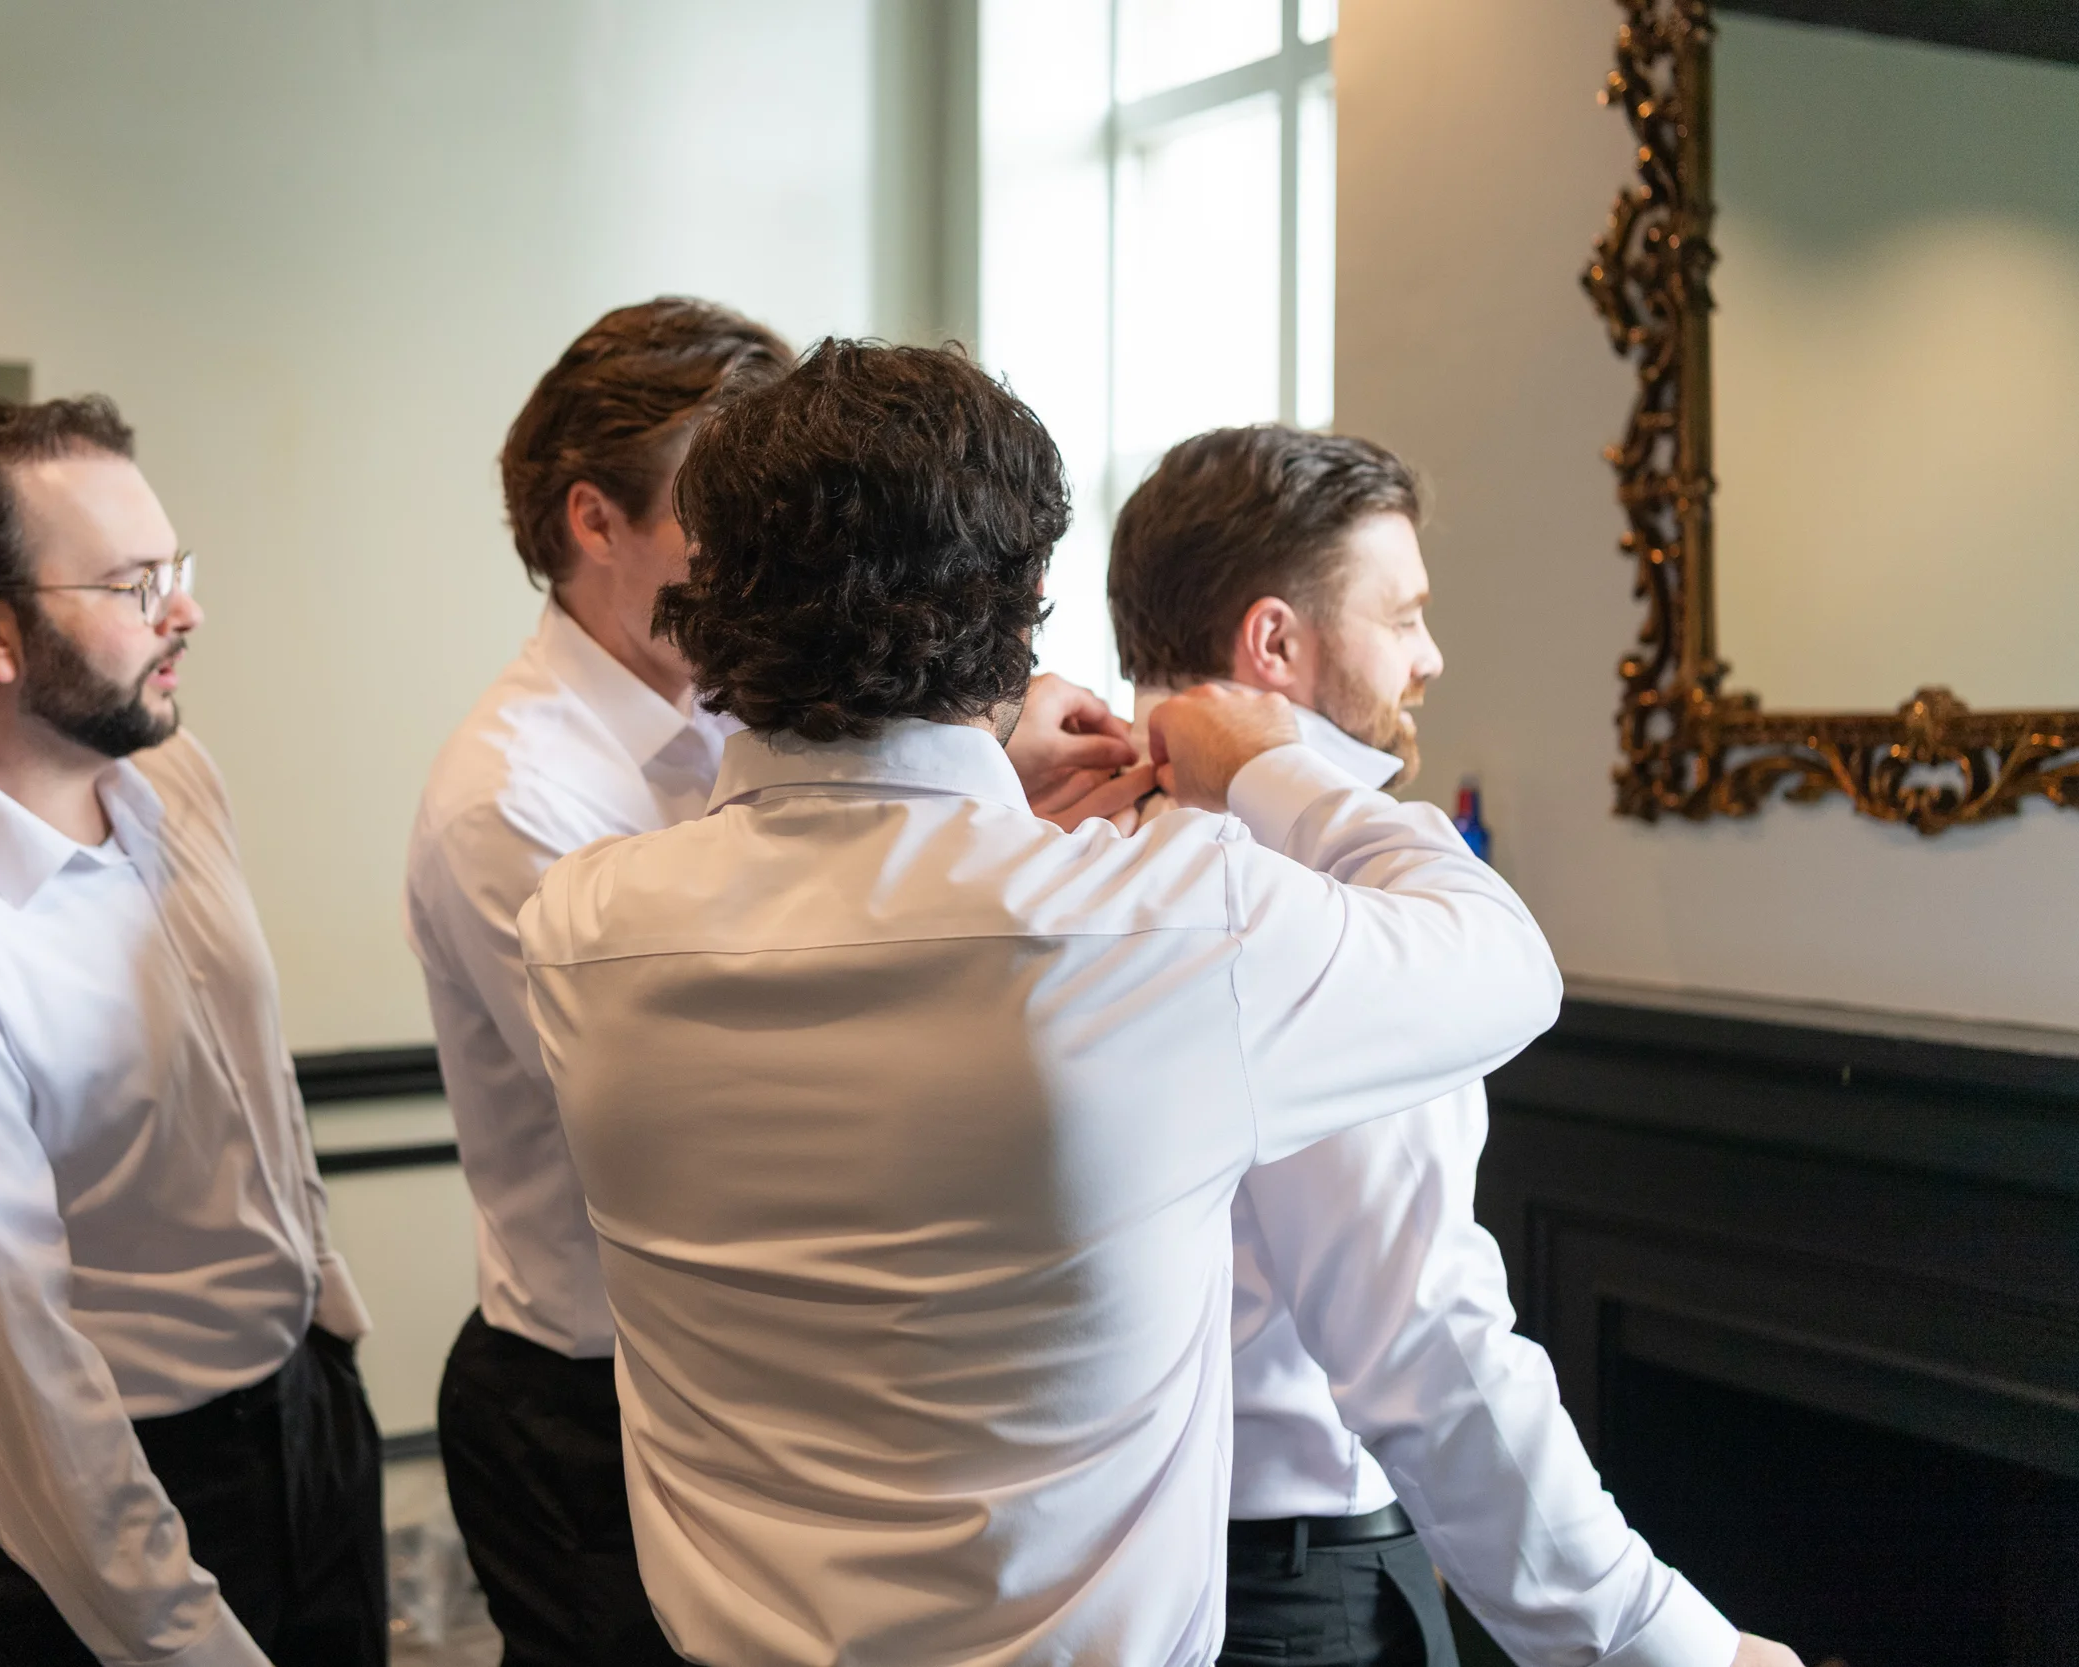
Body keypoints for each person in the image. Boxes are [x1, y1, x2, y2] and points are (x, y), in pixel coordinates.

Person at [513, 340, 1565, 1666]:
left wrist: (962, 766)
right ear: (1021, 613)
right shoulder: (1161, 929)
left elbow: (841, 890)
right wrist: (1275, 765)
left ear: (715, 596)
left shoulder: (581, 929)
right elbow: (1503, 960)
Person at [405, 301, 1149, 1666]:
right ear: (595, 521)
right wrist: (974, 778)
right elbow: (714, 1069)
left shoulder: (741, 719)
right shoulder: (511, 796)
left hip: (752, 1375)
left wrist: (972, 781)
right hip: (589, 1399)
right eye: (723, 511)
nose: (769, 547)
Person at [1109, 424, 1800, 1667]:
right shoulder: (1311, 911)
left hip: (1114, 1588)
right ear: (1274, 642)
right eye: (1403, 614)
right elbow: (1425, 1342)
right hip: (1292, 1601)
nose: (1430, 656)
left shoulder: (1056, 857)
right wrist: (1668, 1644)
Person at [0, 397, 384, 1667]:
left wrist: (323, 1320)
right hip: (97, 1503)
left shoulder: (167, 773)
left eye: (178, 566)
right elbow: (23, 1389)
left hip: (302, 1411)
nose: (186, 609)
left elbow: (250, 1085)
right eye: (133, 581)